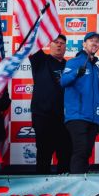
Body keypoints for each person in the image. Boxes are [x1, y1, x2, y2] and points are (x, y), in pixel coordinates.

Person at [61, 31, 99, 174]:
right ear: (84, 44)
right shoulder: (74, 62)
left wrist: (98, 118)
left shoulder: (96, 68)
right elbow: (63, 81)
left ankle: (82, 182)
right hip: (77, 116)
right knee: (81, 151)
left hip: (92, 118)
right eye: (91, 40)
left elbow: (95, 94)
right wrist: (75, 73)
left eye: (97, 41)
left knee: (86, 153)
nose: (94, 43)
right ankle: (76, 183)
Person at [29, 34, 71, 174]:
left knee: (65, 154)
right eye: (56, 42)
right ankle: (42, 186)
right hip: (43, 116)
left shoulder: (70, 66)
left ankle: (65, 186)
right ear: (49, 44)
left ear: (65, 47)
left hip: (65, 118)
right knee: (44, 155)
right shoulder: (41, 60)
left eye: (62, 43)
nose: (59, 45)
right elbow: (30, 40)